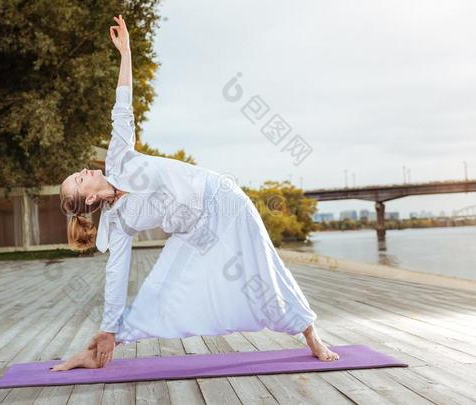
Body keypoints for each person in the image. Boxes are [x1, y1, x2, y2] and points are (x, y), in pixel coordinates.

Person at [51, 14, 339, 372]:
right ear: (90, 200)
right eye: (79, 180)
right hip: (195, 231)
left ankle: (311, 336)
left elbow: (122, 105)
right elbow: (116, 273)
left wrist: (126, 52)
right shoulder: (118, 223)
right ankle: (102, 346)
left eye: (78, 173)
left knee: (263, 267)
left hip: (221, 199)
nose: (84, 171)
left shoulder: (119, 156)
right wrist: (108, 326)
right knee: (160, 291)